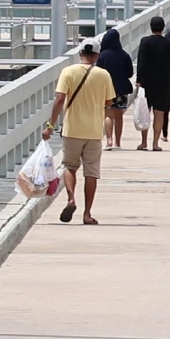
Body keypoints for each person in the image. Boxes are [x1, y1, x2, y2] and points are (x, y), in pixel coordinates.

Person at [43, 37, 115, 225]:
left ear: (80, 53)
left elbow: (59, 99)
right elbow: (109, 102)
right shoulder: (103, 74)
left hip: (72, 128)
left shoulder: (68, 71)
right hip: (93, 131)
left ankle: (71, 199)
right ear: (97, 55)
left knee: (70, 166)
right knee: (91, 172)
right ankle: (87, 214)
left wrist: (50, 126)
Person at [136, 16, 170, 151]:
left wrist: (139, 80)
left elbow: (141, 62)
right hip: (164, 82)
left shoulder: (145, 42)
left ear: (150, 27)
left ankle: (144, 142)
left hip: (147, 82)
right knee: (159, 113)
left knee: (145, 112)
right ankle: (155, 143)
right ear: (163, 28)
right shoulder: (168, 43)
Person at [96, 28, 134, 150]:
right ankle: (118, 142)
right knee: (119, 116)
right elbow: (130, 73)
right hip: (122, 89)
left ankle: (109, 141)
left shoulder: (102, 55)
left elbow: (98, 72)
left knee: (108, 115)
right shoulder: (124, 55)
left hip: (106, 90)